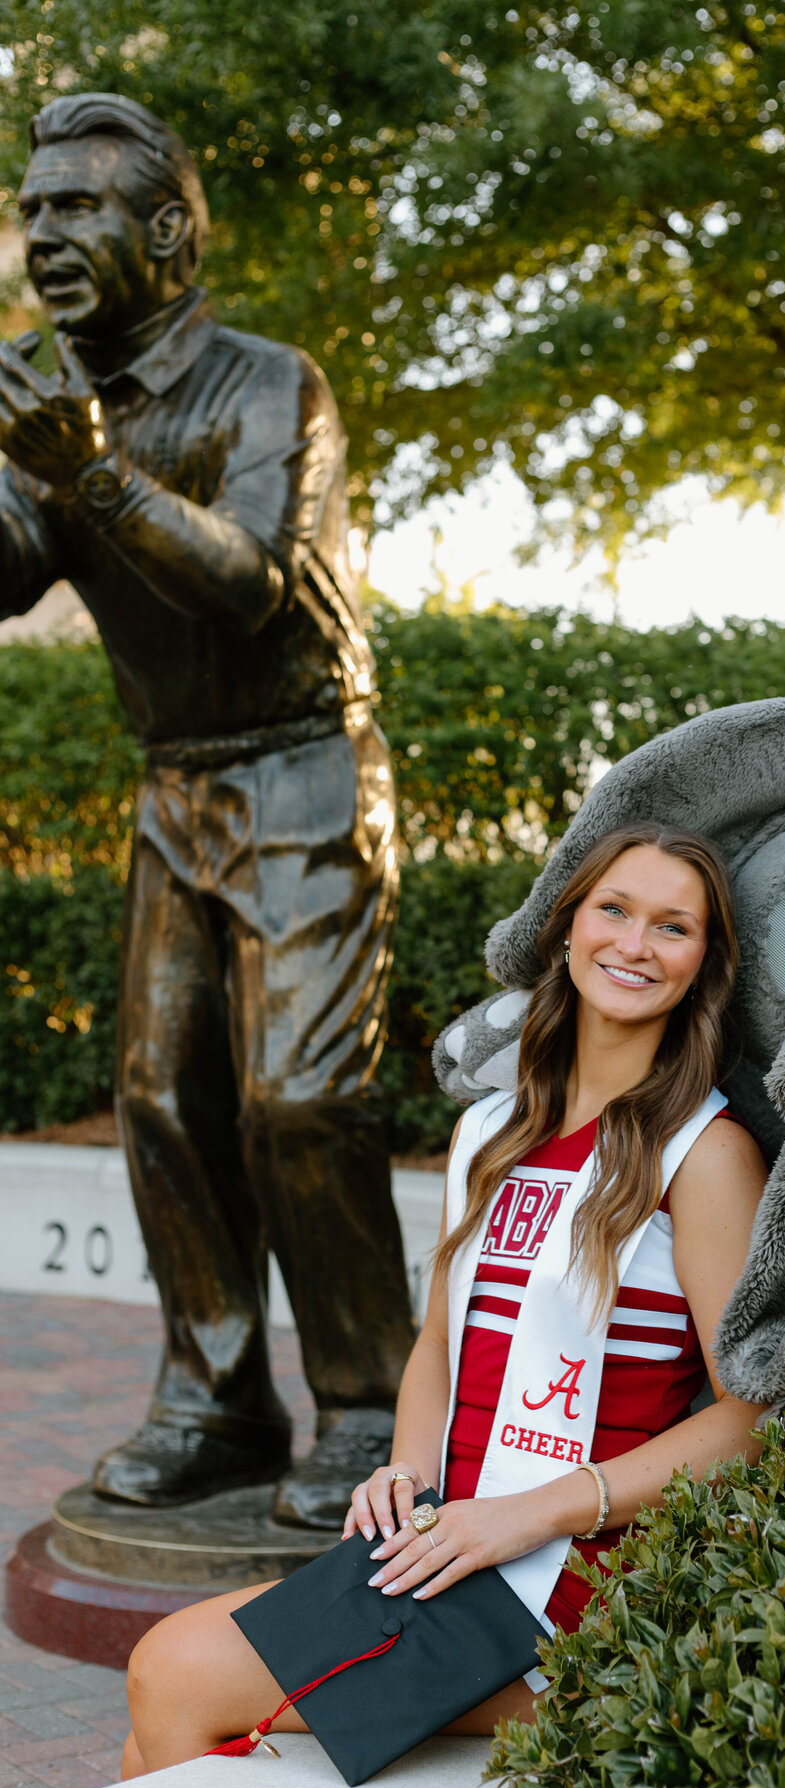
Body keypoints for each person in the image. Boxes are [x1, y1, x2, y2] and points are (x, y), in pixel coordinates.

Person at [120, 821, 770, 1774]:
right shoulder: (492, 1129)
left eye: (673, 928)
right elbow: (438, 1344)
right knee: (149, 1740)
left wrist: (532, 1513)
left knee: (173, 1672)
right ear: (566, 928)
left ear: (703, 966)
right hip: (452, 1542)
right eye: (614, 910)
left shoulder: (705, 1156)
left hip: (571, 1579)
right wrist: (406, 1471)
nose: (635, 945)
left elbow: (750, 1419)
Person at [0, 92, 413, 1525]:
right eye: (33, 211)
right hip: (175, 781)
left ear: (172, 230)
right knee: (162, 1098)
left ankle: (370, 1405)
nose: (44, 234)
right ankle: (216, 1403)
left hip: (304, 766)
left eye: (78, 207)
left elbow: (248, 583)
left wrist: (86, 468)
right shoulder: (53, 399)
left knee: (304, 1098)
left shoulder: (269, 383)